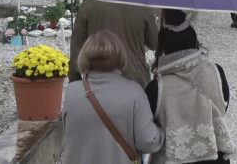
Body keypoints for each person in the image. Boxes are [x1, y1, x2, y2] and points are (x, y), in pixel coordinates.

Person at [62, 30, 164, 164]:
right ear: (120, 57)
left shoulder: (71, 92)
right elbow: (148, 142)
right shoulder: (134, 92)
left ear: (85, 56)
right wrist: (161, 131)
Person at [146, 9, 235, 164]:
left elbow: (149, 130)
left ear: (165, 47)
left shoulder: (157, 87)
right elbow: (223, 106)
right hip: (215, 156)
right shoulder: (216, 72)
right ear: (194, 41)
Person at [69, 0, 158, 88]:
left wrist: (74, 78)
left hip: (97, 79)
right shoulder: (140, 4)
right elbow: (154, 42)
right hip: (135, 78)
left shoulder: (90, 3)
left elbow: (76, 44)